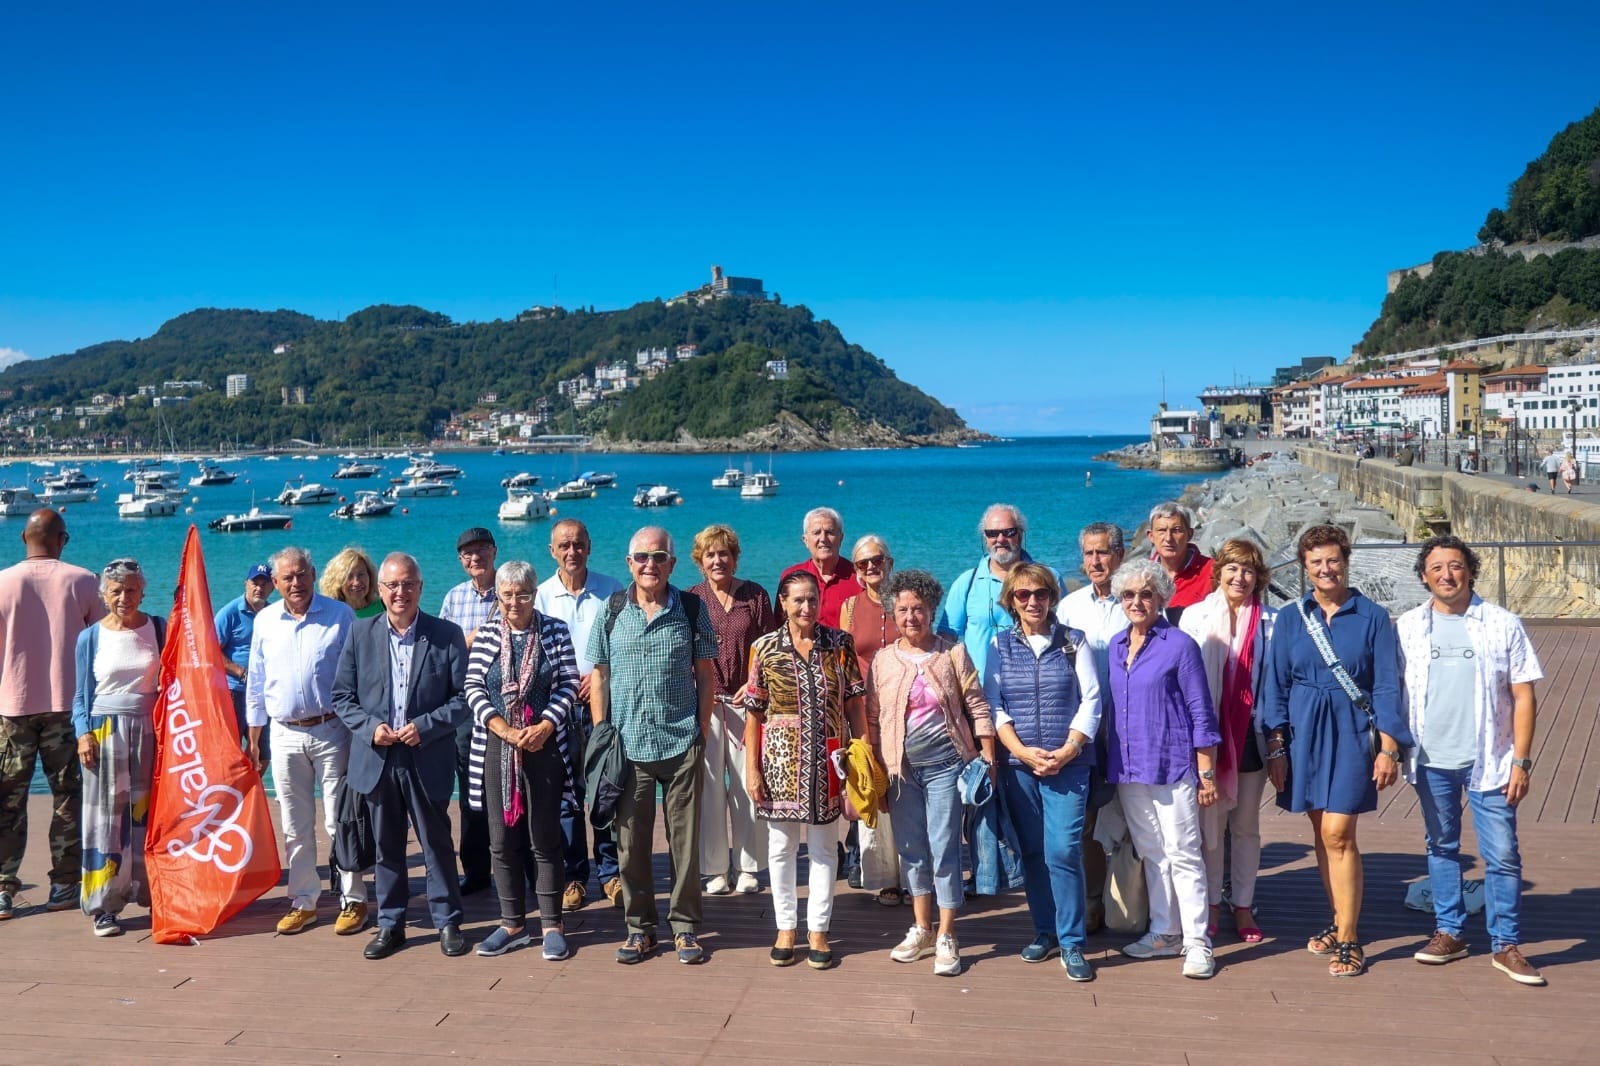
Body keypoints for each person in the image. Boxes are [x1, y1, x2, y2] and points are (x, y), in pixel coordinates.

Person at [1260, 524, 1411, 978]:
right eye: (1316, 562)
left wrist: (1389, 746)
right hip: (1304, 730)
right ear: (1305, 568)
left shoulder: (1373, 617)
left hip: (1349, 727)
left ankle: (1349, 938)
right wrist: (1276, 746)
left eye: (1333, 560)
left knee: (1339, 833)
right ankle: (1338, 918)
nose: (1326, 569)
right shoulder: (1290, 617)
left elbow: (1386, 684)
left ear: (1346, 562)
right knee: (1320, 830)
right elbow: (1276, 685)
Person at [1397, 536, 1546, 986]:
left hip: (1493, 758)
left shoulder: (1502, 623)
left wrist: (1522, 760)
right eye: (1437, 567)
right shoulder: (1407, 626)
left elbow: (1524, 694)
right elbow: (1391, 692)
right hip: (1430, 757)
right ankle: (1449, 932)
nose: (1447, 574)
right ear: (1424, 575)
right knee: (1441, 847)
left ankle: (1506, 944)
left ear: (1470, 571)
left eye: (1456, 566)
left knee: (1502, 855)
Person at [588, 527, 718, 965]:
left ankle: (684, 928)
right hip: (627, 747)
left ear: (672, 564)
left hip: (681, 742)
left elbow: (705, 674)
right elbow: (599, 676)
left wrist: (700, 728)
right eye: (641, 556)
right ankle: (639, 928)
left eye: (659, 556)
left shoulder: (693, 608)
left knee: (685, 842)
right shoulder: (612, 609)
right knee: (631, 844)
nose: (650, 564)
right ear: (629, 563)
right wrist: (602, 733)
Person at [334, 552, 472, 960]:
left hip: (424, 755)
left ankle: (448, 921)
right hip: (377, 757)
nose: (400, 592)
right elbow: (342, 696)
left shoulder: (446, 635)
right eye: (393, 585)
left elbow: (465, 697)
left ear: (420, 588)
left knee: (436, 844)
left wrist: (426, 726)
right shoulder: (360, 634)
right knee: (386, 848)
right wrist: (369, 728)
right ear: (381, 590)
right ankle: (391, 925)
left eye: (408, 584)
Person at [867, 569, 995, 978]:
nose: (911, 617)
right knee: (911, 851)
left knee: (944, 849)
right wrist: (876, 778)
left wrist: (987, 759)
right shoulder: (884, 660)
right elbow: (872, 719)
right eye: (903, 609)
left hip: (947, 768)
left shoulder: (951, 654)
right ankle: (921, 928)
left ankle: (947, 933)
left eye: (918, 609)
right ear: (893, 612)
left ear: (931, 609)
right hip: (900, 771)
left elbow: (977, 706)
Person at [743, 570, 867, 969]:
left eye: (812, 599)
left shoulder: (839, 644)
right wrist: (751, 769)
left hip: (829, 757)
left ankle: (818, 929)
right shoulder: (763, 648)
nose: (806, 607)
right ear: (783, 602)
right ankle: (785, 926)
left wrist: (861, 753)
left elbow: (853, 706)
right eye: (797, 600)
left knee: (824, 848)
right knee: (780, 849)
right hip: (779, 759)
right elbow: (754, 714)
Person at [983, 563, 1101, 982]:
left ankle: (1072, 942)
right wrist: (1020, 752)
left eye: (1041, 593)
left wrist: (1068, 749)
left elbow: (1091, 700)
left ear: (1052, 596)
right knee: (1032, 853)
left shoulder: (1074, 642)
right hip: (1020, 767)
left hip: (1068, 765)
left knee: (1063, 852)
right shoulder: (1000, 646)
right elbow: (993, 705)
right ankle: (1044, 930)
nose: (1033, 602)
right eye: (1023, 595)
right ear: (1011, 600)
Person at [1104, 559, 1221, 980]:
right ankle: (1164, 931)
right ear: (1120, 600)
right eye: (1129, 594)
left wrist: (1206, 773)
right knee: (1153, 852)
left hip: (1172, 764)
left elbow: (1200, 712)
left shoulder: (1179, 645)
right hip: (1130, 766)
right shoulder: (1116, 645)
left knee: (1185, 854)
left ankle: (1198, 943)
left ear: (1161, 598)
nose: (1137, 601)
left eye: (1146, 594)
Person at [463, 561, 579, 960]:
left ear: (535, 594)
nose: (515, 602)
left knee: (544, 837)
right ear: (498, 596)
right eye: (508, 594)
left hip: (543, 744)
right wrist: (505, 730)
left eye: (523, 594)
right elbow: (474, 687)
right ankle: (512, 922)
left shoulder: (555, 631)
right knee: (501, 839)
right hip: (498, 745)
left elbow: (568, 682)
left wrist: (546, 725)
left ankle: (552, 924)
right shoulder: (488, 634)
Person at [246, 547, 365, 936]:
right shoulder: (265, 621)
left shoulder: (340, 615)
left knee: (338, 819)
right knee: (295, 824)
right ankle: (304, 901)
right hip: (283, 734)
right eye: (287, 578)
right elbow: (257, 681)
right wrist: (255, 737)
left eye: (301, 575)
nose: (295, 583)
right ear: (276, 583)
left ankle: (353, 898)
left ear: (313, 575)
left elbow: (357, 674)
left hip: (332, 729)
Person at [0, 508, 103, 920]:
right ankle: (64, 884)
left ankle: (4, 888)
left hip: (12, 706)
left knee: (8, 799)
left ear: (24, 536)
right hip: (68, 708)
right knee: (69, 797)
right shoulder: (83, 581)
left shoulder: (2, 583)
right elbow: (102, 642)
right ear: (62, 539)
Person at [1178, 539, 1278, 944]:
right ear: (1218, 572)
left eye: (1249, 570)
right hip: (1209, 736)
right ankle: (1212, 905)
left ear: (1259, 578)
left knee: (1247, 826)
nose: (1240, 577)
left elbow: (1275, 684)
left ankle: (1242, 905)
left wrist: (1277, 745)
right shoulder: (1194, 617)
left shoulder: (1272, 621)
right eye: (1233, 568)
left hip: (1250, 733)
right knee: (1210, 827)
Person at [534, 518, 625, 910]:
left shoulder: (613, 590)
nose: (573, 552)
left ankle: (610, 872)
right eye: (564, 545)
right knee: (567, 798)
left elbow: (625, 644)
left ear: (590, 546)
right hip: (558, 711)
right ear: (552, 551)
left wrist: (599, 678)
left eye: (579, 544)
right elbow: (533, 654)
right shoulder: (539, 596)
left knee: (605, 791)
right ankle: (574, 876)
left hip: (601, 706)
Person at [71, 558, 164, 937]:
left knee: (150, 817)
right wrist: (82, 734)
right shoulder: (90, 637)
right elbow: (79, 696)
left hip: (151, 730)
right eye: (116, 590)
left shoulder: (158, 627)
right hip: (104, 732)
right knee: (106, 823)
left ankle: (151, 895)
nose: (124, 597)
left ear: (142, 591)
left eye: (131, 589)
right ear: (104, 595)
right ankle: (105, 906)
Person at [685, 524, 775, 897]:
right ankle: (715, 869)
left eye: (724, 553)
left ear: (735, 558)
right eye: (711, 554)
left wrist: (753, 685)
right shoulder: (691, 598)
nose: (718, 560)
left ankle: (750, 866)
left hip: (745, 703)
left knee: (746, 785)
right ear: (700, 562)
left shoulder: (755, 596)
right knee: (707, 788)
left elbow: (770, 646)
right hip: (704, 704)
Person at [1056, 521, 1130, 931]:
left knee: (1134, 816)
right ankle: (1094, 900)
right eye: (1089, 553)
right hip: (1085, 730)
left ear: (1119, 554)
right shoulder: (1070, 608)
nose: (1096, 561)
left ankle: (1136, 900)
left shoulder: (1135, 600)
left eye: (1103, 552)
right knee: (1084, 820)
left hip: (1129, 726)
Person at [839, 534, 906, 905]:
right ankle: (884, 877)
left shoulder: (905, 601)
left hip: (906, 711)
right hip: (863, 711)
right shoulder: (850, 606)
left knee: (905, 790)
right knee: (871, 787)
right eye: (862, 563)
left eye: (877, 559)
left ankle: (913, 872)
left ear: (889, 561)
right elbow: (845, 661)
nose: (870, 567)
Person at [439, 527, 499, 899]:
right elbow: (442, 648)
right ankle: (476, 871)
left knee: (511, 787)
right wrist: (468, 638)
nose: (474, 557)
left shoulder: (508, 587)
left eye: (480, 550)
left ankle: (520, 865)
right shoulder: (454, 597)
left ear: (493, 551)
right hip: (465, 707)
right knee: (470, 791)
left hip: (503, 703)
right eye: (467, 553)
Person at [936, 503, 1055, 679]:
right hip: (980, 696)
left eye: (1008, 532)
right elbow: (946, 641)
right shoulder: (966, 583)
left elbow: (1065, 633)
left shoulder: (1049, 579)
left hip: (1036, 689)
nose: (1000, 539)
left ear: (1020, 534)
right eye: (992, 533)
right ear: (985, 538)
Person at [214, 562, 274, 759]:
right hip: (234, 691)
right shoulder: (229, 613)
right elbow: (211, 651)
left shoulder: (275, 614)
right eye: (254, 583)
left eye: (264, 584)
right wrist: (241, 672)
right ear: (245, 584)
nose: (259, 588)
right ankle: (232, 788)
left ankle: (252, 787)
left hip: (264, 692)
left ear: (273, 586)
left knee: (264, 751)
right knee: (231, 749)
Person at [780, 507, 861, 629]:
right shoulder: (791, 577)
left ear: (841, 538)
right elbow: (780, 623)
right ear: (805, 540)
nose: (823, 538)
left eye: (830, 532)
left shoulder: (858, 577)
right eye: (816, 533)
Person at [1147, 502, 1213, 624]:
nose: (1168, 538)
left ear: (1189, 534)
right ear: (1151, 536)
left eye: (1176, 530)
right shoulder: (1142, 575)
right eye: (1161, 530)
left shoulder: (1212, 572)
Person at [321, 546, 383, 618]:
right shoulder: (332, 614)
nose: (356, 582)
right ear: (338, 582)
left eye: (361, 574)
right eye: (349, 576)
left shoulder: (384, 608)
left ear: (370, 576)